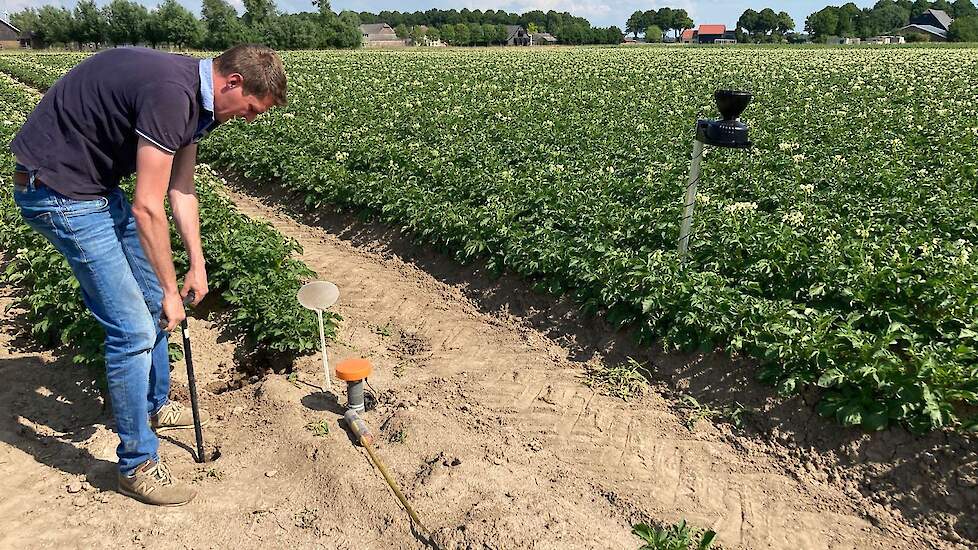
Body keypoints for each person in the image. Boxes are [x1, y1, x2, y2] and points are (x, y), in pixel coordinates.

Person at [9, 44, 287, 506]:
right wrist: (167, 288)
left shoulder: (199, 104)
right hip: (59, 192)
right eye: (252, 109)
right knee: (133, 329)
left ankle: (154, 406)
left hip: (93, 189)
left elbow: (181, 189)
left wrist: (195, 265)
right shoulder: (170, 95)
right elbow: (145, 206)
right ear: (233, 83)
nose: (250, 119)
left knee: (155, 307)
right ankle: (136, 465)